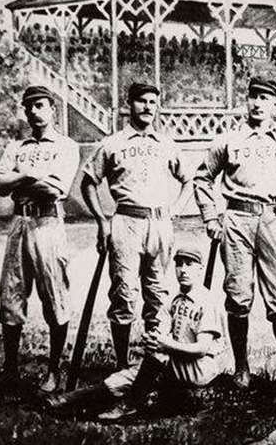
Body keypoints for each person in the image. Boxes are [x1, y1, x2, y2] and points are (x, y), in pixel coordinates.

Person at [193, 76, 276, 398]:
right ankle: (241, 368)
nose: (258, 103)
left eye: (265, 98)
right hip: (236, 219)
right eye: (253, 96)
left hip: (271, 221)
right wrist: (211, 216)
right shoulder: (228, 140)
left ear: (274, 105)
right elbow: (202, 178)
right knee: (238, 296)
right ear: (247, 100)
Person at [80, 83, 196, 370]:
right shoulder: (113, 143)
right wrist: (102, 220)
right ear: (129, 104)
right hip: (126, 222)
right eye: (141, 101)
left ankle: (152, 364)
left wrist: (175, 211)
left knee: (157, 295)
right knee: (124, 294)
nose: (147, 107)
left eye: (152, 102)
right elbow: (88, 183)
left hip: (159, 224)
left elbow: (188, 180)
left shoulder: (166, 144)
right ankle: (122, 365)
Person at [45, 241, 224, 421]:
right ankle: (63, 400)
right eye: (179, 264)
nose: (183, 270)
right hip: (175, 363)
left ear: (200, 269)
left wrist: (165, 345)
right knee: (123, 379)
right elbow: (160, 332)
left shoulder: (207, 300)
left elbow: (201, 349)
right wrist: (153, 339)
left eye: (189, 264)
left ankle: (130, 405)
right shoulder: (172, 298)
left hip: (199, 369)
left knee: (154, 359)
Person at [0, 85, 80, 393]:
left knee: (54, 295)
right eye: (28, 106)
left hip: (48, 222)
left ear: (52, 109)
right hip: (19, 222)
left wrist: (20, 177)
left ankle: (53, 370)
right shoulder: (16, 146)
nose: (33, 111)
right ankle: (10, 370)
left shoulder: (66, 146)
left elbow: (56, 189)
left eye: (40, 105)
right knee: (11, 295)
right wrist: (29, 176)